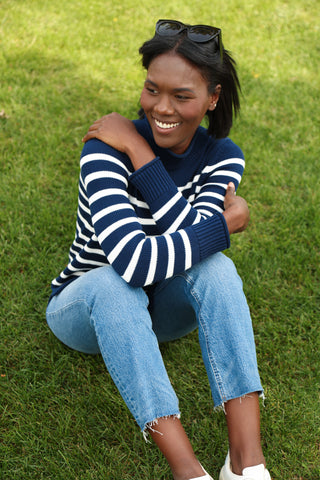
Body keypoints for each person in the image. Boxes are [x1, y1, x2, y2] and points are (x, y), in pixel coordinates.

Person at [46, 19, 271, 480]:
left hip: (165, 312)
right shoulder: (105, 147)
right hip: (85, 309)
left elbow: (196, 240)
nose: (161, 108)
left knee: (217, 268)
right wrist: (222, 226)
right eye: (152, 90)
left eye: (182, 96)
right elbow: (132, 262)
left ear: (212, 98)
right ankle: (189, 472)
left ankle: (247, 463)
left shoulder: (222, 155)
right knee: (113, 282)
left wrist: (143, 157)